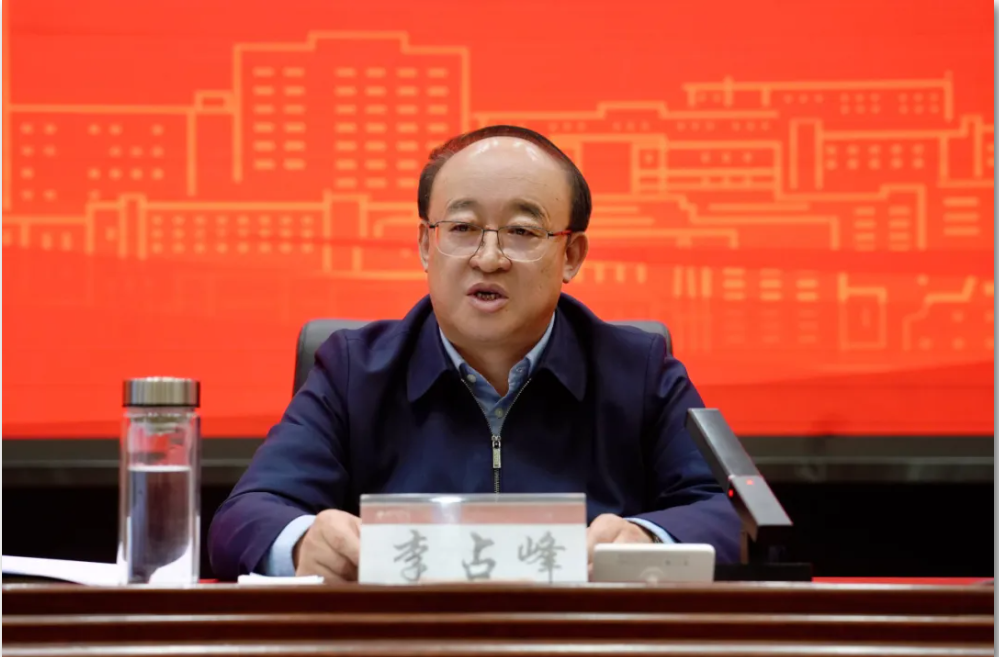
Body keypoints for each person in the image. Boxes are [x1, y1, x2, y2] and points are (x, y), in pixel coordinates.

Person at [208, 125, 740, 582]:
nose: (488, 258)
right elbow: (244, 516)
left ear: (571, 254)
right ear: (426, 244)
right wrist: (303, 544)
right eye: (461, 228)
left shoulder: (638, 371)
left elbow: (731, 515)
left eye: (522, 231)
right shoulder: (353, 370)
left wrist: (648, 539)